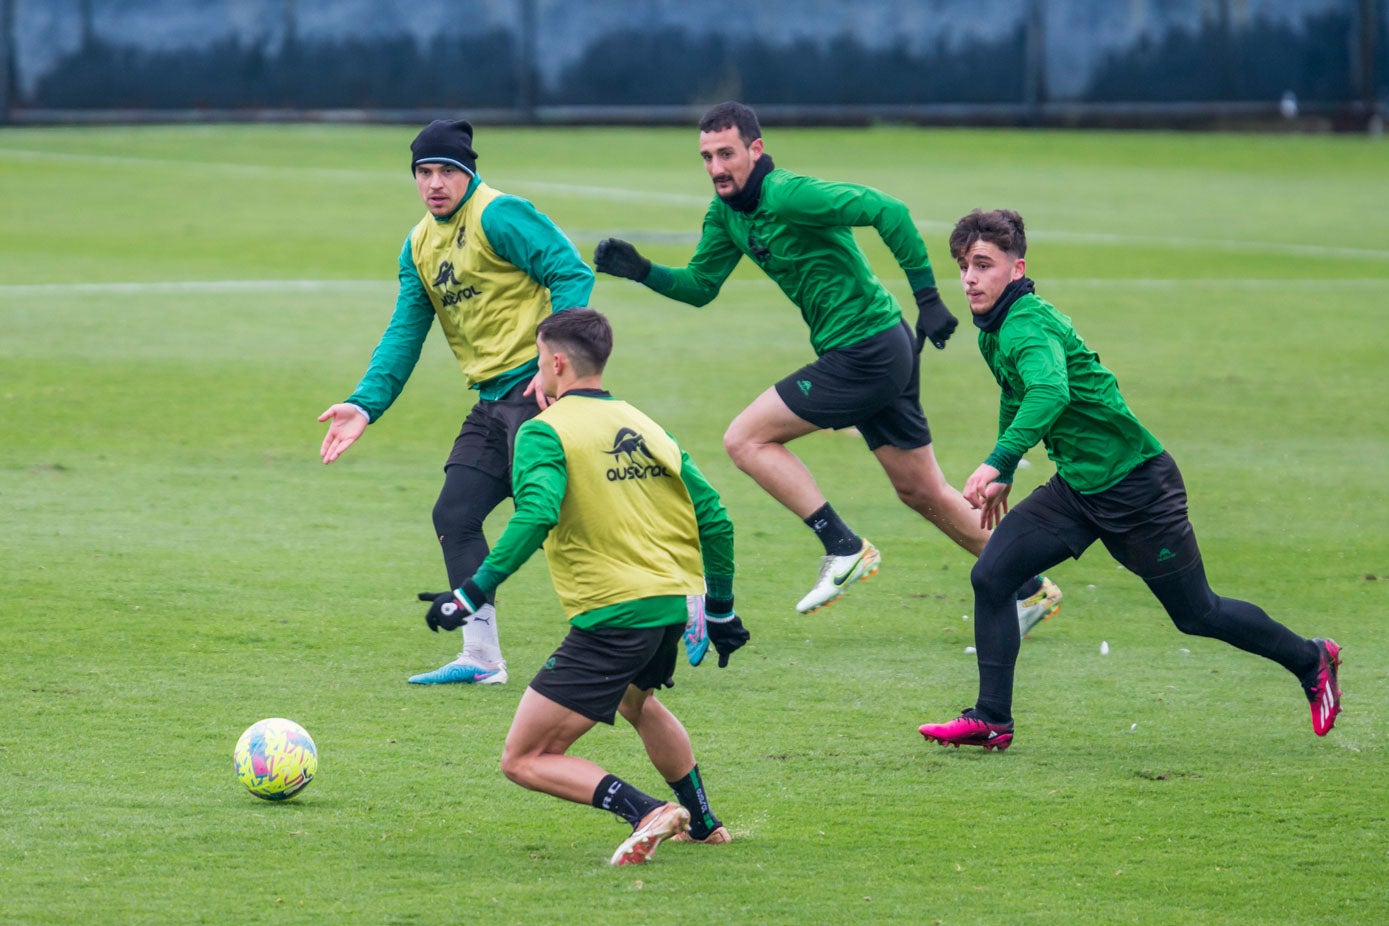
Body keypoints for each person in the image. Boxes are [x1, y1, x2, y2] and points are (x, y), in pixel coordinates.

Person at [593, 101, 1061, 635]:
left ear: (755, 149)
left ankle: (843, 546)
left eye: (726, 153)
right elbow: (701, 286)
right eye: (706, 157)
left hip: (867, 349)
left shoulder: (790, 194)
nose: (717, 167)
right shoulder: (725, 214)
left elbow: (889, 210)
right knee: (923, 492)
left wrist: (928, 298)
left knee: (745, 440)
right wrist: (644, 271)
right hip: (877, 348)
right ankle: (1029, 588)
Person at [918, 208, 1342, 751]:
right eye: (962, 266)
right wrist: (1003, 472)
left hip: (1138, 487)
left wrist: (999, 460)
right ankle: (992, 718)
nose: (970, 278)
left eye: (983, 265)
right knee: (993, 576)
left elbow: (1050, 393)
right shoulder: (995, 330)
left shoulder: (1028, 324)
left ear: (1017, 269)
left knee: (1197, 613)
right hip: (1079, 488)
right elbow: (1017, 392)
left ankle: (1313, 658)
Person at [423, 308, 748, 864]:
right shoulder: (646, 424)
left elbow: (535, 515)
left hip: (613, 616)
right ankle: (705, 822)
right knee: (636, 702)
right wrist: (717, 608)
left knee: (524, 758)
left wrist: (471, 593)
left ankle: (645, 810)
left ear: (555, 361)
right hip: (668, 606)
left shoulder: (543, 431)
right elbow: (714, 516)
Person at [318, 118, 594, 685]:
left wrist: (555, 361)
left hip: (537, 393)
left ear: (469, 173)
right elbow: (404, 333)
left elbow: (571, 272)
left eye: (447, 170)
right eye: (424, 171)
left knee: (580, 520)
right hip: (491, 401)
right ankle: (482, 658)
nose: (435, 182)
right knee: (456, 514)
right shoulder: (419, 245)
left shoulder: (499, 214)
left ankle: (684, 595)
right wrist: (364, 404)